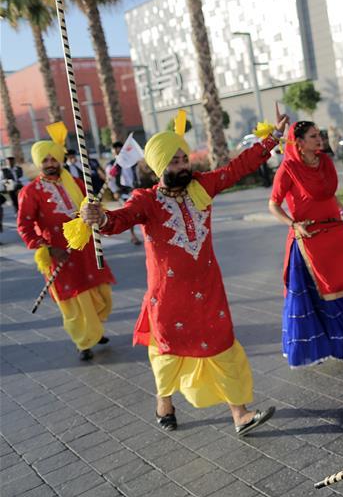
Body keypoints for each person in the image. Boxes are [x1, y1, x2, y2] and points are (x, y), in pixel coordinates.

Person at [78, 110, 277, 435]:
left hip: (209, 289)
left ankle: (240, 413)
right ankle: (164, 402)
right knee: (168, 352)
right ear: (159, 166)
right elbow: (121, 219)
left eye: (184, 159)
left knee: (223, 345)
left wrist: (270, 140)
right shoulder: (146, 200)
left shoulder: (201, 187)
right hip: (168, 296)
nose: (183, 166)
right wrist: (99, 218)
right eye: (174, 162)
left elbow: (236, 169)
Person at [268, 120, 343, 366]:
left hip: (337, 233)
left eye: (319, 134)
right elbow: (273, 204)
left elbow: (328, 195)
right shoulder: (288, 168)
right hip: (311, 240)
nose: (319, 139)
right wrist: (293, 224)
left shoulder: (324, 162)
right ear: (299, 143)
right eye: (313, 136)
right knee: (330, 292)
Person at [17, 123, 115, 361]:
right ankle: (84, 342)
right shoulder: (30, 192)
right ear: (38, 163)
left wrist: (97, 210)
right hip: (59, 253)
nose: (50, 163)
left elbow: (91, 205)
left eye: (53, 159)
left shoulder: (78, 182)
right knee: (73, 301)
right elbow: (24, 226)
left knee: (100, 293)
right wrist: (49, 249)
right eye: (45, 160)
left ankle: (95, 330)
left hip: (85, 248)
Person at [106, 141, 142, 245]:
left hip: (134, 189)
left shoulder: (132, 162)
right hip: (123, 192)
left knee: (140, 212)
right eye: (115, 150)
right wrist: (115, 191)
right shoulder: (112, 165)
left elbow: (137, 175)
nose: (118, 151)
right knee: (129, 213)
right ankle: (133, 235)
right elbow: (110, 180)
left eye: (119, 149)